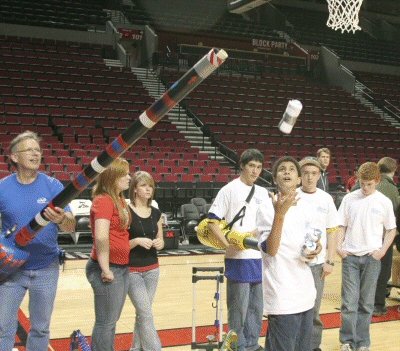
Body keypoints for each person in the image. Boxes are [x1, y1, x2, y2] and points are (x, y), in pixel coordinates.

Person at [0, 130, 76, 351]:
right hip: (11, 271)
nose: (36, 154)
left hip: (46, 268)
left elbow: (70, 227)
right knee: (3, 328)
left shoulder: (53, 186)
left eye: (38, 150)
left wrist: (62, 218)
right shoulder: (2, 187)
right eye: (29, 150)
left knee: (41, 328)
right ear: (14, 157)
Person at [207, 149, 274, 351]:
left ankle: (252, 344)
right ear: (242, 165)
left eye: (259, 167)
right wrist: (227, 245)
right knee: (238, 308)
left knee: (256, 307)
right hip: (238, 258)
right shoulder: (229, 189)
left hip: (259, 257)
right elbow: (212, 222)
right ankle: (238, 347)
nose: (255, 171)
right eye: (252, 166)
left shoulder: (263, 192)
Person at [259, 156, 320, 351]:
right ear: (275, 179)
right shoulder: (266, 208)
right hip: (282, 295)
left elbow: (311, 241)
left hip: (305, 293)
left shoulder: (307, 208)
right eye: (282, 169)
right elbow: (271, 250)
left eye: (292, 169)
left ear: (299, 179)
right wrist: (280, 214)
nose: (287, 172)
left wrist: (315, 249)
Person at [337, 162, 397, 351]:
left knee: (366, 303)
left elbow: (391, 229)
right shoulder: (349, 199)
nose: (365, 187)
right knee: (349, 302)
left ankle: (363, 342)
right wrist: (339, 247)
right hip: (351, 257)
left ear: (377, 181)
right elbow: (341, 225)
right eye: (362, 183)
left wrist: (382, 251)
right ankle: (347, 341)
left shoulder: (384, 201)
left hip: (372, 258)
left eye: (369, 184)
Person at [85, 158, 131, 351]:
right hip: (107, 268)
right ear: (112, 177)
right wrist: (105, 268)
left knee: (111, 321)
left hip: (120, 267)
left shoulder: (118, 199)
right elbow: (101, 237)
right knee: (106, 322)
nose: (129, 177)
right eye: (125, 174)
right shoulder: (103, 200)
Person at [298, 157, 339, 351]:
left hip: (317, 264)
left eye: (313, 173)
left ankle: (314, 346)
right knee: (292, 307)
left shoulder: (326, 198)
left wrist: (330, 260)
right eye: (305, 173)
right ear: (300, 175)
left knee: (314, 309)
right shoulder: (292, 196)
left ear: (319, 175)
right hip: (294, 263)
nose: (309, 177)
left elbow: (332, 230)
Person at [127, 171, 164, 351]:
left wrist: (159, 243)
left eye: (150, 186)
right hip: (132, 271)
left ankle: (135, 348)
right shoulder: (125, 212)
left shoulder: (156, 212)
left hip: (152, 270)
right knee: (146, 314)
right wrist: (135, 241)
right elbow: (118, 246)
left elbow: (162, 241)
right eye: (143, 185)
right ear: (134, 189)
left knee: (143, 314)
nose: (148, 189)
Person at [373, 157, 400, 316]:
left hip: (364, 238)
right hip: (385, 237)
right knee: (383, 271)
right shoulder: (392, 190)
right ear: (394, 170)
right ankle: (378, 305)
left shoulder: (363, 183)